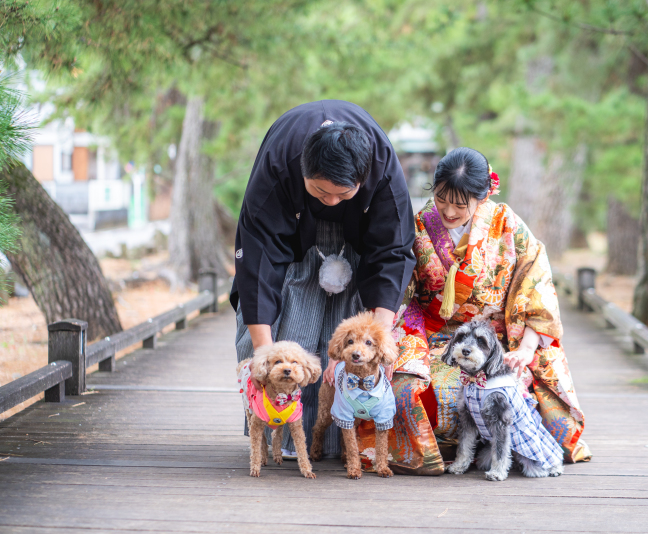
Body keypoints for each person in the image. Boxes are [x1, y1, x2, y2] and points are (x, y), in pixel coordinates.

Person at [355, 147, 591, 474]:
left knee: (523, 379)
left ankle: (503, 444)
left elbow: (535, 283)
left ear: (483, 196)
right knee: (407, 384)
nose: (449, 211)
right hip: (434, 333)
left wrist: (526, 348)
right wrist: (390, 334)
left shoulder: (507, 225)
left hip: (495, 339)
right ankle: (437, 449)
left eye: (460, 204)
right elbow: (400, 286)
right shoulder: (418, 225)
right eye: (441, 199)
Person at [232, 100, 415, 457]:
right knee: (292, 336)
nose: (331, 202)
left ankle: (335, 445)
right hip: (291, 240)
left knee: (347, 342)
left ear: (363, 177)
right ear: (303, 171)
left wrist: (379, 339)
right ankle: (279, 436)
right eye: (320, 191)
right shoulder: (279, 162)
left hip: (358, 242)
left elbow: (392, 251)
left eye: (342, 194)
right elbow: (258, 258)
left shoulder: (381, 165)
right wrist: (263, 354)